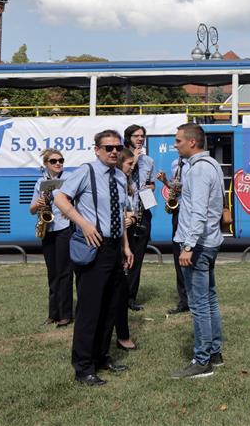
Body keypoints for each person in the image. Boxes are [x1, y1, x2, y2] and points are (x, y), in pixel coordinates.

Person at [53, 130, 134, 387]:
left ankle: (101, 356)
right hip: (93, 245)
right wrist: (84, 224)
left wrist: (126, 247)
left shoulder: (120, 177)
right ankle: (83, 367)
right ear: (97, 149)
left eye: (117, 148)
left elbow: (119, 214)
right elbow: (60, 198)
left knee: (110, 306)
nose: (113, 152)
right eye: (108, 147)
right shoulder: (86, 172)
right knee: (89, 309)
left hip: (113, 247)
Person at [171, 123, 225, 379]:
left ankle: (202, 359)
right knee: (209, 299)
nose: (175, 145)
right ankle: (214, 352)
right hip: (208, 242)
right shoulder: (210, 165)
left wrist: (189, 245)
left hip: (199, 245)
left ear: (192, 142)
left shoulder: (199, 170)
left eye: (178, 141)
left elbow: (199, 211)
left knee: (199, 303)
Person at [30, 149, 73, 327]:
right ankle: (53, 313)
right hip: (48, 229)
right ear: (46, 164)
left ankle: (65, 314)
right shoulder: (41, 182)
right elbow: (31, 210)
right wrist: (38, 205)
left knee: (65, 272)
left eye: (61, 160)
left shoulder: (69, 179)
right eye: (54, 161)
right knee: (52, 273)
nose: (58, 163)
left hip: (64, 228)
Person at [122, 124, 157, 312]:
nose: (140, 139)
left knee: (137, 257)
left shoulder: (149, 161)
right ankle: (118, 295)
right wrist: (133, 158)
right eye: (136, 136)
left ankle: (130, 298)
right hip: (124, 213)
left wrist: (152, 188)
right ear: (128, 137)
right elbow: (123, 176)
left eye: (143, 136)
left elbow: (150, 184)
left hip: (142, 212)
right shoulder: (120, 157)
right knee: (122, 258)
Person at [158, 155, 191, 314]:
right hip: (178, 213)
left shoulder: (196, 165)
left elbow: (192, 190)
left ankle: (195, 299)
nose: (176, 147)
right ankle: (184, 300)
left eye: (179, 142)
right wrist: (166, 182)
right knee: (178, 257)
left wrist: (177, 187)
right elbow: (175, 188)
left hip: (191, 213)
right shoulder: (175, 164)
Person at [113, 148, 138, 352]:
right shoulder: (114, 180)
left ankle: (123, 334)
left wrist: (131, 217)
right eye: (129, 164)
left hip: (124, 238)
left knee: (120, 291)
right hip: (113, 242)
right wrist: (124, 219)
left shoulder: (126, 181)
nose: (132, 168)